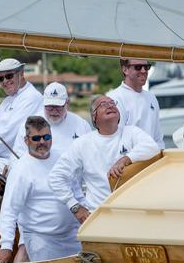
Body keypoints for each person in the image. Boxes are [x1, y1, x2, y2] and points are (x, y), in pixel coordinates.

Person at [49, 95, 160, 224]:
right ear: (94, 117)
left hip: (134, 214)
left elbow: (153, 147)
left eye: (112, 103)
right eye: (103, 104)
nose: (110, 105)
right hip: (99, 216)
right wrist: (74, 206)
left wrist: (125, 159)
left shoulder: (131, 132)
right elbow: (56, 177)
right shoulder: (82, 144)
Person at [0, 116, 81, 263]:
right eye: (36, 138)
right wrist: (6, 245)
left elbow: (77, 193)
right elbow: (9, 210)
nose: (42, 142)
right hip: (41, 240)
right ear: (26, 140)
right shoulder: (20, 170)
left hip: (72, 236)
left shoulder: (62, 159)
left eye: (46, 137)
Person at [0, 58, 43, 173]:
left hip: (16, 161)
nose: (5, 81)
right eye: (0, 78)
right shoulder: (6, 103)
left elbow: (9, 134)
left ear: (21, 73)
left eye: (9, 76)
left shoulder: (32, 97)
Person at [10, 82, 92, 162]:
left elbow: (89, 156)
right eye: (50, 107)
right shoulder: (27, 125)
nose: (54, 111)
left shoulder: (82, 125)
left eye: (58, 107)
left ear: (67, 103)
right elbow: (17, 157)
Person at [107, 58, 165, 148]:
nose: (143, 71)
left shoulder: (151, 97)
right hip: (131, 160)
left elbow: (158, 137)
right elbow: (115, 141)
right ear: (125, 70)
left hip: (153, 159)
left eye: (146, 67)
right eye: (138, 67)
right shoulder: (114, 98)